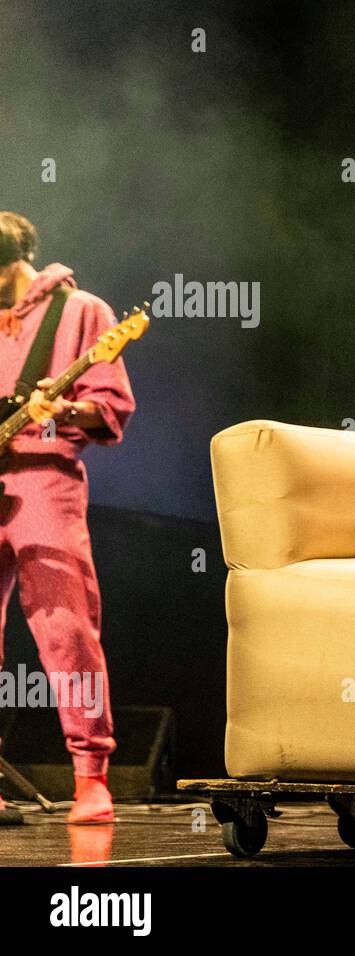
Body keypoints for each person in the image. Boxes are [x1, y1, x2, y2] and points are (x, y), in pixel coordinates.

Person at [0, 211, 136, 826]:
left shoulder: (81, 310)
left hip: (44, 477)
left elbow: (108, 410)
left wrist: (62, 411)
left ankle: (90, 776)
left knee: (65, 627)